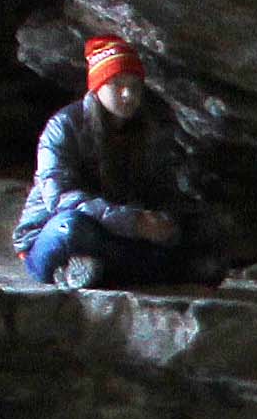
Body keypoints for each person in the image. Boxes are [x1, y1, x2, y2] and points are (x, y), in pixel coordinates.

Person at [17, 35, 218, 288]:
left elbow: (162, 191)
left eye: (135, 86)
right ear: (98, 87)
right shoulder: (63, 126)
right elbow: (59, 197)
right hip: (58, 232)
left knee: (198, 237)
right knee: (73, 229)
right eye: (117, 84)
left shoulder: (150, 129)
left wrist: (165, 223)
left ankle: (96, 270)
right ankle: (126, 269)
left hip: (118, 235)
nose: (128, 94)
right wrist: (133, 222)